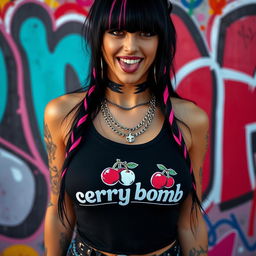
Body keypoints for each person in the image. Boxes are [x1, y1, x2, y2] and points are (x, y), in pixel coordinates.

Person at [43, 0, 209, 255]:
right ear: (100, 37)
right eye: (117, 32)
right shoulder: (63, 115)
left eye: (146, 33)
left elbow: (191, 221)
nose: (131, 47)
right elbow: (59, 211)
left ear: (161, 40)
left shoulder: (191, 120)